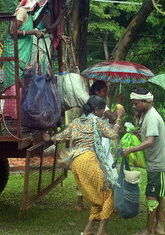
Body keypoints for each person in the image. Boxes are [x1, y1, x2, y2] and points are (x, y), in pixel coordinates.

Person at [52, 95, 124, 235]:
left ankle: (88, 230)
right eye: (102, 110)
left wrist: (47, 135)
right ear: (96, 110)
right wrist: (118, 118)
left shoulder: (76, 122)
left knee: (97, 197)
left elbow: (57, 138)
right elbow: (113, 135)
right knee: (109, 193)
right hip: (88, 160)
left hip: (76, 163)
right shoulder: (97, 122)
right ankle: (101, 231)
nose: (104, 113)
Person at [75, 80, 125, 211]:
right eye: (104, 90)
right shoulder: (99, 104)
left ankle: (81, 201)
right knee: (102, 170)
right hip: (99, 143)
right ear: (96, 92)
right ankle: (102, 201)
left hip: (93, 141)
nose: (106, 93)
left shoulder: (91, 102)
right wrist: (119, 106)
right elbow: (113, 117)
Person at [122, 87, 165, 235]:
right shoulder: (147, 115)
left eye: (136, 103)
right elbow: (147, 134)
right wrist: (138, 127)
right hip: (155, 162)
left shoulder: (152, 117)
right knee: (159, 194)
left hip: (158, 163)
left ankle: (148, 229)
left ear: (146, 101)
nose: (134, 106)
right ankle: (159, 226)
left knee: (151, 196)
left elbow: (150, 142)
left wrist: (129, 150)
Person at [1, 0, 47, 120]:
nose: (38, 6)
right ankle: (13, 116)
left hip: (23, 51)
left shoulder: (29, 14)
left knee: (23, 82)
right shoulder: (21, 12)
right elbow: (12, 31)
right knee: (15, 83)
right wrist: (32, 32)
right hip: (14, 50)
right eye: (37, 3)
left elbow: (33, 23)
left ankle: (20, 116)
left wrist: (43, 10)